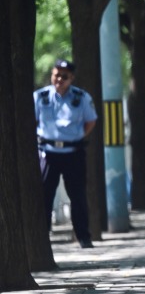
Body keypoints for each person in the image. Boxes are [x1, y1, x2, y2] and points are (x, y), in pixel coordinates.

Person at [34, 59, 98, 249]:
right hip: (48, 152)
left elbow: (90, 121)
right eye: (56, 75)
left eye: (64, 76)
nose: (59, 79)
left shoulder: (81, 97)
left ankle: (83, 237)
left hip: (73, 153)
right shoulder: (40, 96)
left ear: (72, 78)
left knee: (77, 196)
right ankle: (42, 237)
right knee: (45, 195)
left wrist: (75, 137)